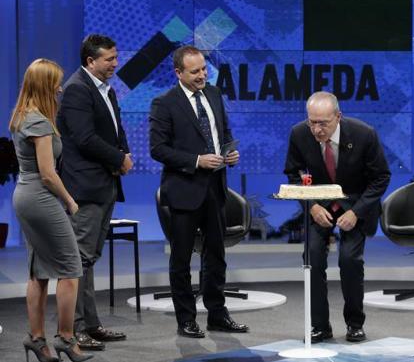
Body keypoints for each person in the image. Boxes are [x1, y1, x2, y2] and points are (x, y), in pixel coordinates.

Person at [149, 45, 248, 338]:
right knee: (181, 259)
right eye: (195, 71)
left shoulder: (214, 95)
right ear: (178, 72)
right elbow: (158, 149)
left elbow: (224, 134)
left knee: (216, 255)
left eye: (204, 69)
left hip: (216, 189)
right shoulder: (163, 103)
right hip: (183, 190)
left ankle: (218, 314)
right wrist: (196, 161)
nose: (202, 75)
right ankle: (186, 320)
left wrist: (230, 152)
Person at [284, 91, 391, 343]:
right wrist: (311, 206)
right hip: (319, 204)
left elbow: (381, 178)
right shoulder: (299, 133)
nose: (317, 129)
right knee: (313, 256)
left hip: (355, 203)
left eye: (323, 123)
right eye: (312, 122)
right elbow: (293, 174)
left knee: (350, 259)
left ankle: (355, 324)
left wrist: (356, 212)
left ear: (338, 117)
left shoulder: (364, 134)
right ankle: (320, 326)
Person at [10, 58, 92, 362]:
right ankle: (66, 339)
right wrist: (70, 201)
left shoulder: (24, 115)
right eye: (55, 82)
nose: (60, 88)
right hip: (39, 197)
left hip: (27, 197)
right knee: (71, 269)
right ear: (45, 85)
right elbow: (47, 173)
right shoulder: (38, 122)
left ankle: (36, 340)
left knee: (40, 271)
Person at [57, 34, 132, 350]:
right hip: (85, 187)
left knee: (89, 258)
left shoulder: (106, 89)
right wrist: (117, 158)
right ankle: (73, 330)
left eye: (115, 58)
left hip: (104, 184)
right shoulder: (77, 89)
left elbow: (115, 129)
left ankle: (91, 325)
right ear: (90, 61)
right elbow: (85, 138)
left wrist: (123, 154)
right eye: (109, 59)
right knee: (79, 260)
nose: (115, 64)